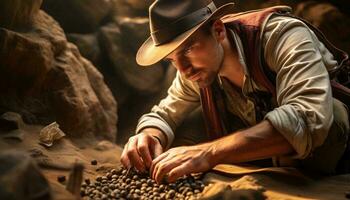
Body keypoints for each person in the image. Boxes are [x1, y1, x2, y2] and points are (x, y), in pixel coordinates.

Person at [120, 0, 350, 184]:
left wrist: (207, 153)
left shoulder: (283, 36)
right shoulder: (195, 69)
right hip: (261, 134)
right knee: (181, 129)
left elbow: (308, 117)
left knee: (333, 120)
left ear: (218, 30)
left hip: (330, 143)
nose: (183, 69)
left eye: (188, 49)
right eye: (172, 59)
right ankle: (261, 156)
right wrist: (149, 135)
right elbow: (166, 113)